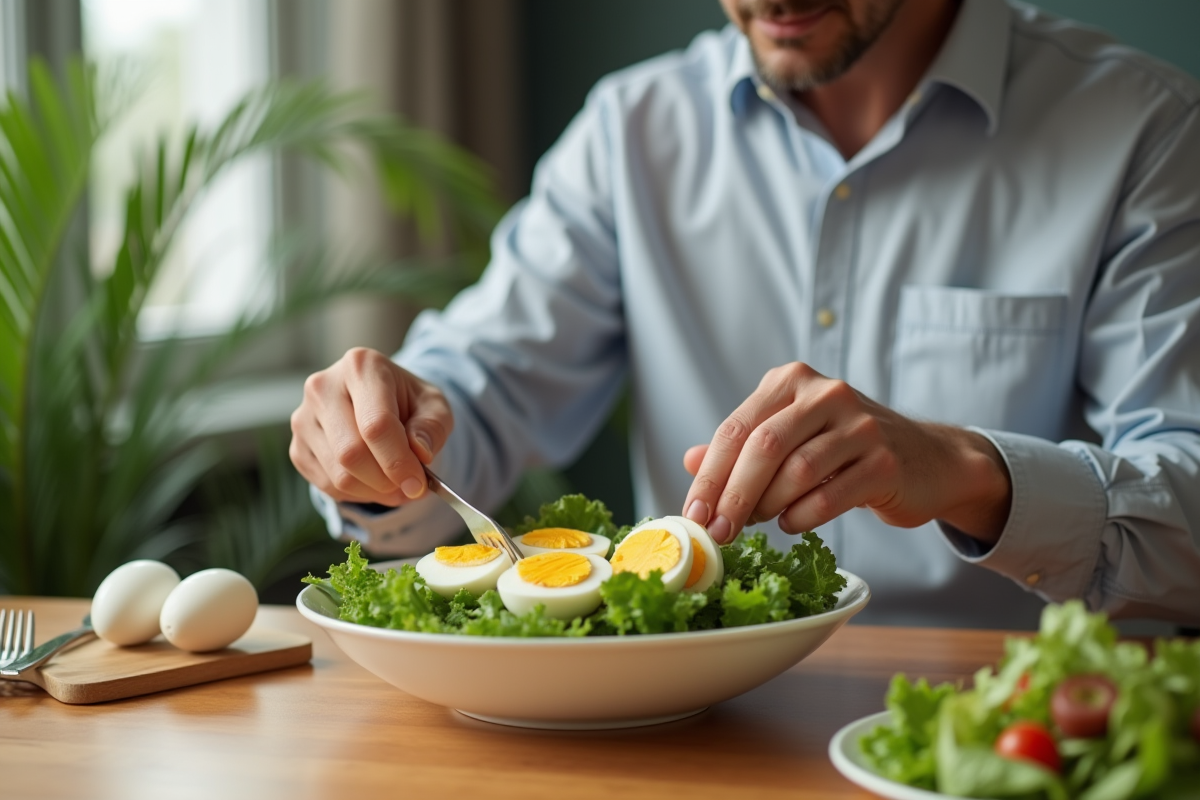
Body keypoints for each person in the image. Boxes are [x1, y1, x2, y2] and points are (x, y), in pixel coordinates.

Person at [289, 0, 1200, 628]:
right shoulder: (631, 131)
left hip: (1002, 726)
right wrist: (384, 435)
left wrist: (969, 472)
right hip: (695, 730)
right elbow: (482, 388)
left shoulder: (1145, 131)